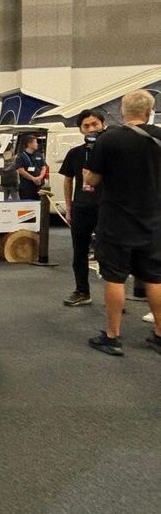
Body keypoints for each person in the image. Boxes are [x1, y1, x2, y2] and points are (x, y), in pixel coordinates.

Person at [82, 89, 161, 356]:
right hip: (153, 219)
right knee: (154, 277)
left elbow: (93, 180)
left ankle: (112, 337)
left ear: (122, 111)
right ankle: (160, 334)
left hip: (116, 220)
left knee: (114, 277)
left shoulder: (109, 139)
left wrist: (87, 175)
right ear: (149, 112)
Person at [58, 109, 105, 306]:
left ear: (103, 125)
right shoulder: (75, 153)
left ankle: (114, 298)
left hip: (106, 209)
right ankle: (82, 291)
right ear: (80, 130)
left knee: (109, 254)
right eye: (86, 126)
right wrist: (68, 208)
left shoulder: (111, 152)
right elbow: (68, 180)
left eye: (95, 124)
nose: (91, 128)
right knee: (79, 253)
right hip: (81, 209)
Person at [14, 134, 47, 200]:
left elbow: (44, 167)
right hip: (27, 187)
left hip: (39, 186)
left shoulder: (39, 155)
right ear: (29, 144)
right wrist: (33, 179)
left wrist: (40, 177)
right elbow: (21, 170)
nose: (37, 144)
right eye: (35, 142)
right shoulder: (21, 156)